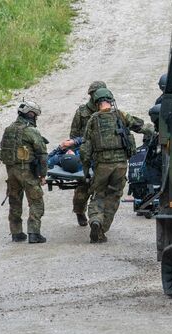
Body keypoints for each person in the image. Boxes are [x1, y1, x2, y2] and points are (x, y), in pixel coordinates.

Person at [80, 87, 152, 243]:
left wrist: (85, 171)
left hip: (102, 165)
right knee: (114, 196)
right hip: (120, 165)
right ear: (111, 100)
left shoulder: (93, 120)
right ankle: (103, 228)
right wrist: (156, 132)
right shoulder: (121, 115)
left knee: (98, 194)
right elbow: (140, 126)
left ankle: (95, 220)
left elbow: (85, 148)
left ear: (96, 102)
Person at [0, 100, 48, 243]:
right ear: (30, 114)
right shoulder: (31, 131)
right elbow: (42, 154)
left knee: (14, 201)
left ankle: (16, 233)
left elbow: (3, 147)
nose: (35, 118)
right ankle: (34, 233)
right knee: (36, 202)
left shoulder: (9, 129)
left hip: (11, 172)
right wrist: (43, 174)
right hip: (27, 172)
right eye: (35, 115)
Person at [69, 81, 108, 227]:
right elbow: (73, 134)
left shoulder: (107, 111)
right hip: (85, 152)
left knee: (102, 187)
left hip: (102, 154)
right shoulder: (82, 112)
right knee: (82, 187)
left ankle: (97, 216)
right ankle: (79, 211)